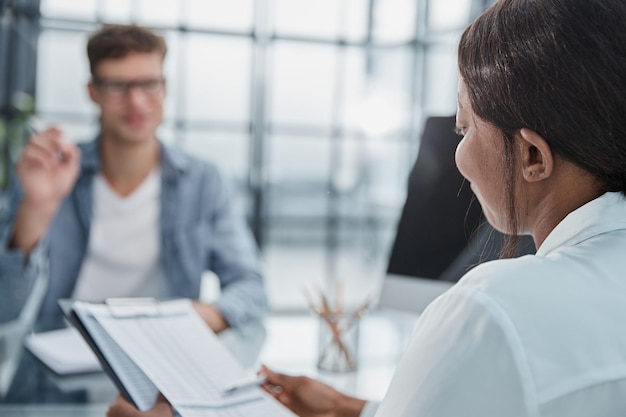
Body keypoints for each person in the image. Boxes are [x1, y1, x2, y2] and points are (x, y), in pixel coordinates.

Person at [107, 0, 626, 415]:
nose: (459, 157)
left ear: (533, 156)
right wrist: (350, 409)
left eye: (464, 128)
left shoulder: (490, 310)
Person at [0, 24, 267, 333]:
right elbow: (6, 308)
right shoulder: (49, 176)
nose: (136, 101)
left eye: (149, 84)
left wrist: (207, 316)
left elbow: (250, 287)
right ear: (93, 92)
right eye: (118, 86)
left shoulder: (204, 182)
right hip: (63, 352)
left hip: (165, 353)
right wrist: (36, 210)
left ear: (165, 88)